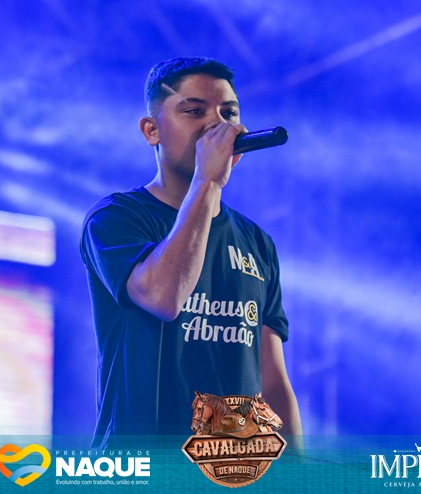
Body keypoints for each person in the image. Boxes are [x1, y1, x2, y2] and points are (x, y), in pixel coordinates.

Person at [80, 57, 302, 446]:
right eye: (195, 111)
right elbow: (164, 297)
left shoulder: (257, 243)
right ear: (152, 130)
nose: (218, 124)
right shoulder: (116, 218)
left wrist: (296, 471)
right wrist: (206, 181)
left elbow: (272, 381)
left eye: (229, 113)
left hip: (232, 467)